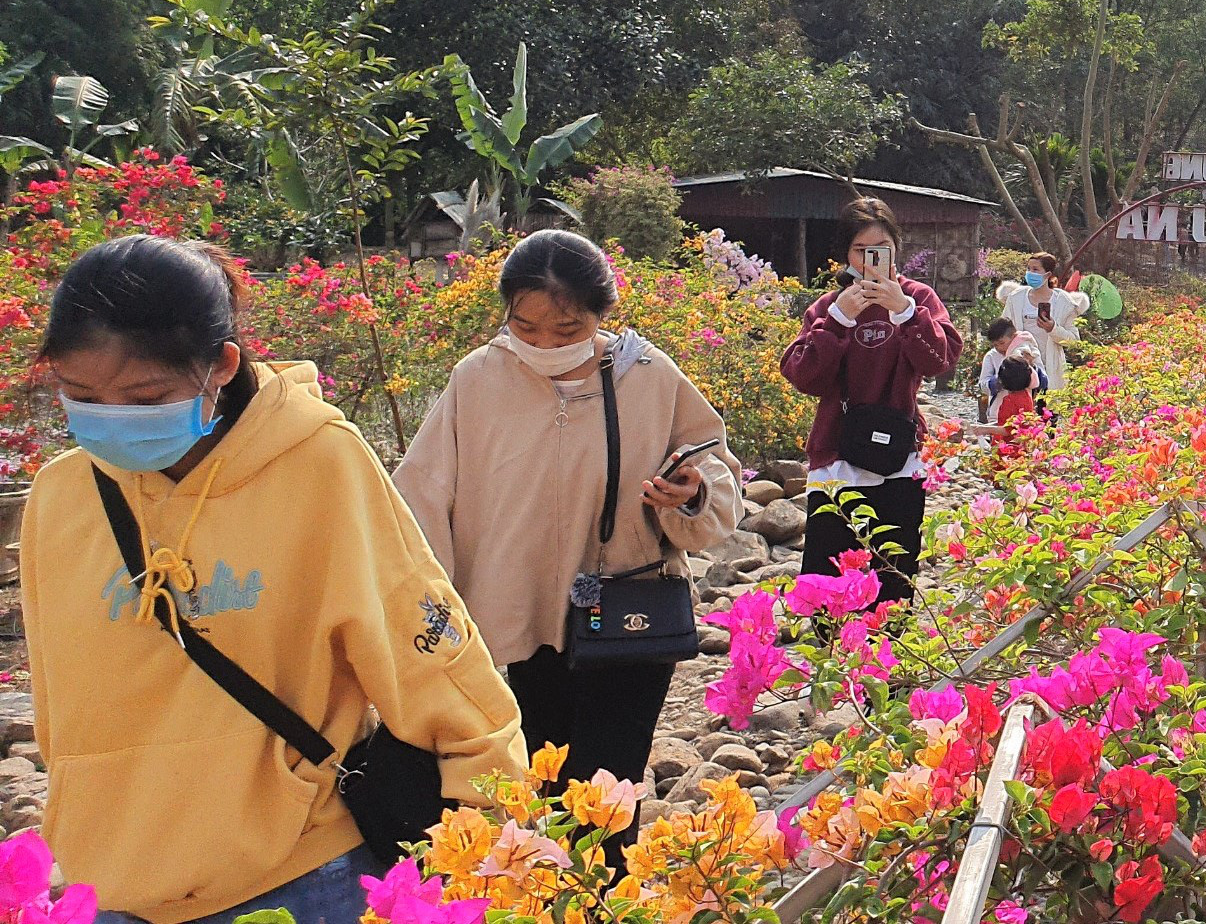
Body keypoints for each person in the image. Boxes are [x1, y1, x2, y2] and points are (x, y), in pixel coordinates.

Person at [24, 235, 524, 924]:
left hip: (299, 876)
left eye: (144, 396)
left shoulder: (318, 462)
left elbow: (426, 650)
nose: (112, 421)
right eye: (80, 397)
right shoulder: (60, 497)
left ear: (220, 366)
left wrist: (489, 822)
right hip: (114, 888)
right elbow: (59, 701)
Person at [394, 230, 742, 793]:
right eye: (525, 327)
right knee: (541, 787)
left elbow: (717, 476)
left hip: (629, 615)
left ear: (601, 315)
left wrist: (693, 492)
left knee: (607, 794)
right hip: (521, 620)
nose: (546, 344)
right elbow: (421, 496)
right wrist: (425, 610)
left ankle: (611, 883)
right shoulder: (478, 379)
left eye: (567, 330)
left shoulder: (648, 376)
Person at [780, 198, 962, 609]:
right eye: (861, 251)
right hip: (838, 456)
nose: (871, 259)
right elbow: (803, 376)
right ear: (845, 255)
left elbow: (939, 361)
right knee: (826, 578)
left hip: (900, 455)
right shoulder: (828, 307)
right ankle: (832, 661)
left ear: (897, 247)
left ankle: (888, 664)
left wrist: (905, 311)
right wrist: (838, 321)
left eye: (881, 248)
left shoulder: (919, 298)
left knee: (894, 574)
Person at [997, 253, 1085, 392]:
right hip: (1019, 369)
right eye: (1028, 269)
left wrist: (1053, 329)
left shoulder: (1063, 301)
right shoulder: (1016, 298)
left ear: (1048, 274)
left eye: (1035, 270)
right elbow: (1003, 332)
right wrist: (1017, 352)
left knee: (1048, 410)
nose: (1030, 273)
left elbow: (1074, 341)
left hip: (1051, 368)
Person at [978, 318, 1046, 417]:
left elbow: (1043, 381)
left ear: (1014, 337)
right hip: (998, 411)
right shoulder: (991, 356)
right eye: (995, 345)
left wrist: (1031, 367)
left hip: (1025, 410)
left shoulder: (1027, 352)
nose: (999, 348)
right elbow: (983, 385)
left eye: (1002, 343)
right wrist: (1000, 381)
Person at [994, 357, 1040, 432]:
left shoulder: (1010, 400)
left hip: (1010, 441)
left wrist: (984, 430)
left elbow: (1008, 430)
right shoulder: (1026, 395)